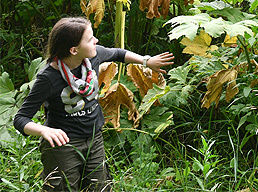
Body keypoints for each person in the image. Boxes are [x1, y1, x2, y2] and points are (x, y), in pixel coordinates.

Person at [13, 17, 174, 192]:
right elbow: (20, 119)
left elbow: (118, 53)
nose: (96, 41)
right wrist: (44, 130)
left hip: (94, 139)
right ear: (74, 50)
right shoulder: (48, 77)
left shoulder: (93, 56)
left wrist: (146, 61)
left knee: (100, 188)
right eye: (90, 39)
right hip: (63, 146)